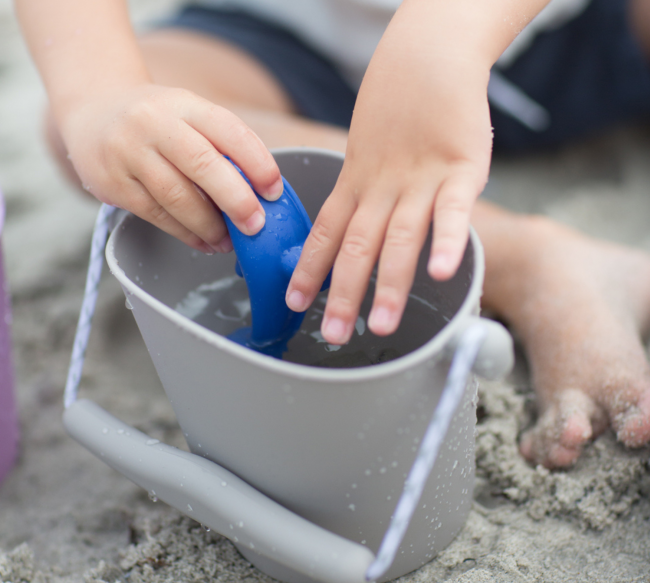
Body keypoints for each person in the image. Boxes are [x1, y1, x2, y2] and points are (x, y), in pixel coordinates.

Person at [13, 0, 650, 468]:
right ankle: (528, 261)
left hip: (557, 22)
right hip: (289, 43)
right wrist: (98, 91)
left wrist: (449, 29)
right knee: (117, 133)